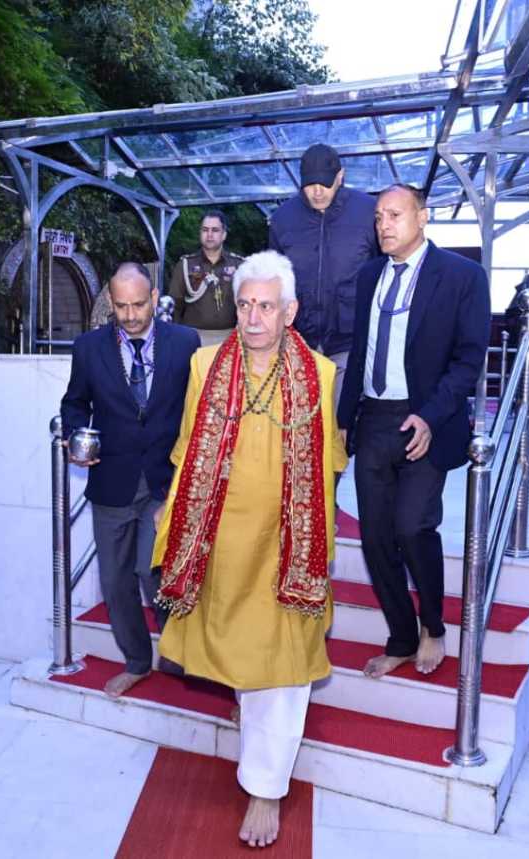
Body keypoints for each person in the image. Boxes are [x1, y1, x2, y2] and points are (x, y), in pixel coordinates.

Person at [152, 250, 347, 848]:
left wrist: (305, 524)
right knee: (241, 654)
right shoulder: (204, 364)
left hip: (289, 545)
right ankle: (250, 716)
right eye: (244, 304)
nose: (253, 317)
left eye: (266, 306)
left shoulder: (319, 374)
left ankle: (266, 791)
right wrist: (173, 513)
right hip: (221, 538)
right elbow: (188, 444)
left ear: (290, 311)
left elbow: (328, 460)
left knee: (282, 662)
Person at [337, 184, 491, 679]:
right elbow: (360, 352)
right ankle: (401, 637)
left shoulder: (461, 276)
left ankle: (434, 627)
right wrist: (345, 419)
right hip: (375, 419)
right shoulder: (368, 277)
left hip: (428, 417)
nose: (383, 224)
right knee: (375, 538)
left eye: (394, 215)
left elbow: (468, 361)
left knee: (413, 527)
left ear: (422, 218)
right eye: (379, 216)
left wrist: (429, 415)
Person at [61, 262, 200, 698]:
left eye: (139, 304)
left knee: (151, 570)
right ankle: (138, 661)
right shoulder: (88, 349)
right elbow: (74, 403)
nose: (130, 314)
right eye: (120, 306)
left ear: (154, 297)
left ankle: (181, 653)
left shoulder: (184, 343)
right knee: (115, 581)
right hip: (112, 482)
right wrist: (74, 436)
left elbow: (196, 409)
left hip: (163, 483)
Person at [268, 142, 379, 403]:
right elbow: (274, 280)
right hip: (299, 342)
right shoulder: (283, 219)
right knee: (301, 423)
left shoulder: (369, 212)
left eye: (325, 183)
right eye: (310, 184)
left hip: (351, 342)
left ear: (341, 176)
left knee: (341, 425)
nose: (317, 192)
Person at [168, 210, 243, 346]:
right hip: (192, 338)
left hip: (230, 339)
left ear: (224, 234)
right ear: (200, 233)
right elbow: (175, 306)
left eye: (215, 230)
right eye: (205, 230)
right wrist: (175, 339)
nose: (209, 235)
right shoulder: (185, 265)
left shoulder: (239, 265)